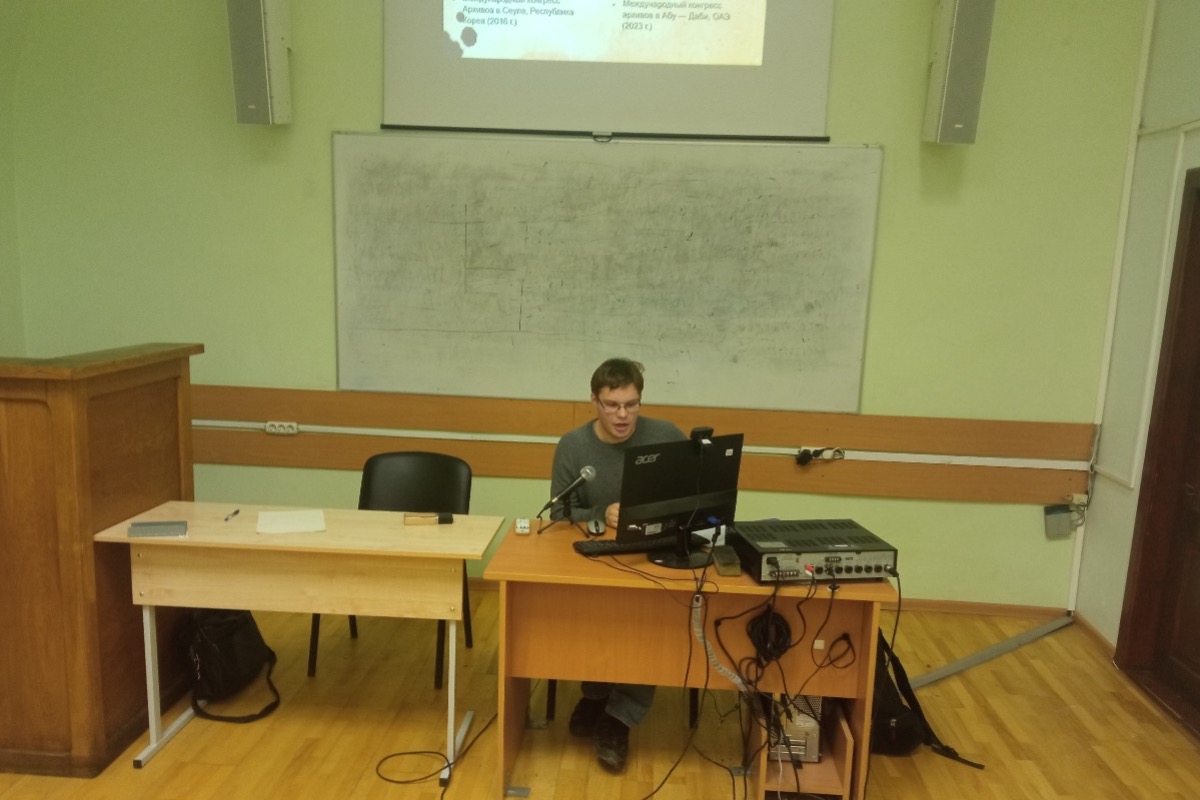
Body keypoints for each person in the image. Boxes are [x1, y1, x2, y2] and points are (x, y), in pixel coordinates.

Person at [549, 357, 686, 773]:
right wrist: (599, 515)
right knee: (593, 615)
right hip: (598, 558)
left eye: (631, 404)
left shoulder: (666, 435)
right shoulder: (573, 446)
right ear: (594, 401)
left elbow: (693, 494)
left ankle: (620, 717)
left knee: (649, 621)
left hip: (654, 556)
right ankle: (595, 693)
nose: (623, 415)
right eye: (612, 405)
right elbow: (559, 513)